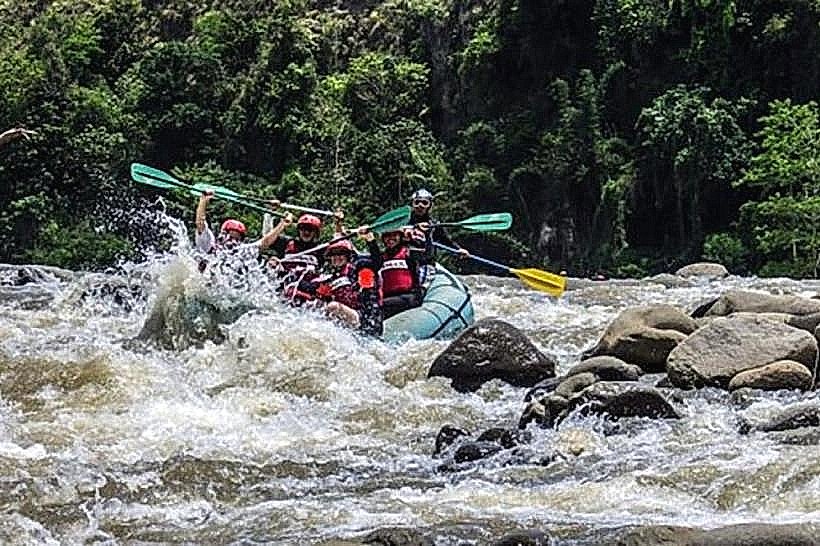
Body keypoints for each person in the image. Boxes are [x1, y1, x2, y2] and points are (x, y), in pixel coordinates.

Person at [194, 191, 292, 271]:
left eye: (236, 238)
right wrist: (203, 201)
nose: (231, 241)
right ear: (222, 233)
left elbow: (265, 242)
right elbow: (200, 223)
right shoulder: (209, 244)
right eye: (229, 235)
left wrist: (282, 224)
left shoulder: (242, 251)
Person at [359, 225, 432, 320]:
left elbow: (428, 255)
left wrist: (427, 233)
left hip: (409, 297)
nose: (390, 239)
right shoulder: (382, 258)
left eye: (394, 235)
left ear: (400, 237)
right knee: (371, 307)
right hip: (389, 298)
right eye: (387, 236)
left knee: (379, 307)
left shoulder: (409, 253)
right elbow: (375, 258)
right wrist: (370, 239)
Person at [407, 188, 470, 287]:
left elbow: (445, 240)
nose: (420, 206)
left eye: (424, 203)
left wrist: (458, 249)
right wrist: (414, 227)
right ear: (412, 204)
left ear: (429, 206)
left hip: (426, 263)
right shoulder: (404, 223)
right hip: (405, 262)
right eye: (417, 202)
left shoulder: (434, 225)